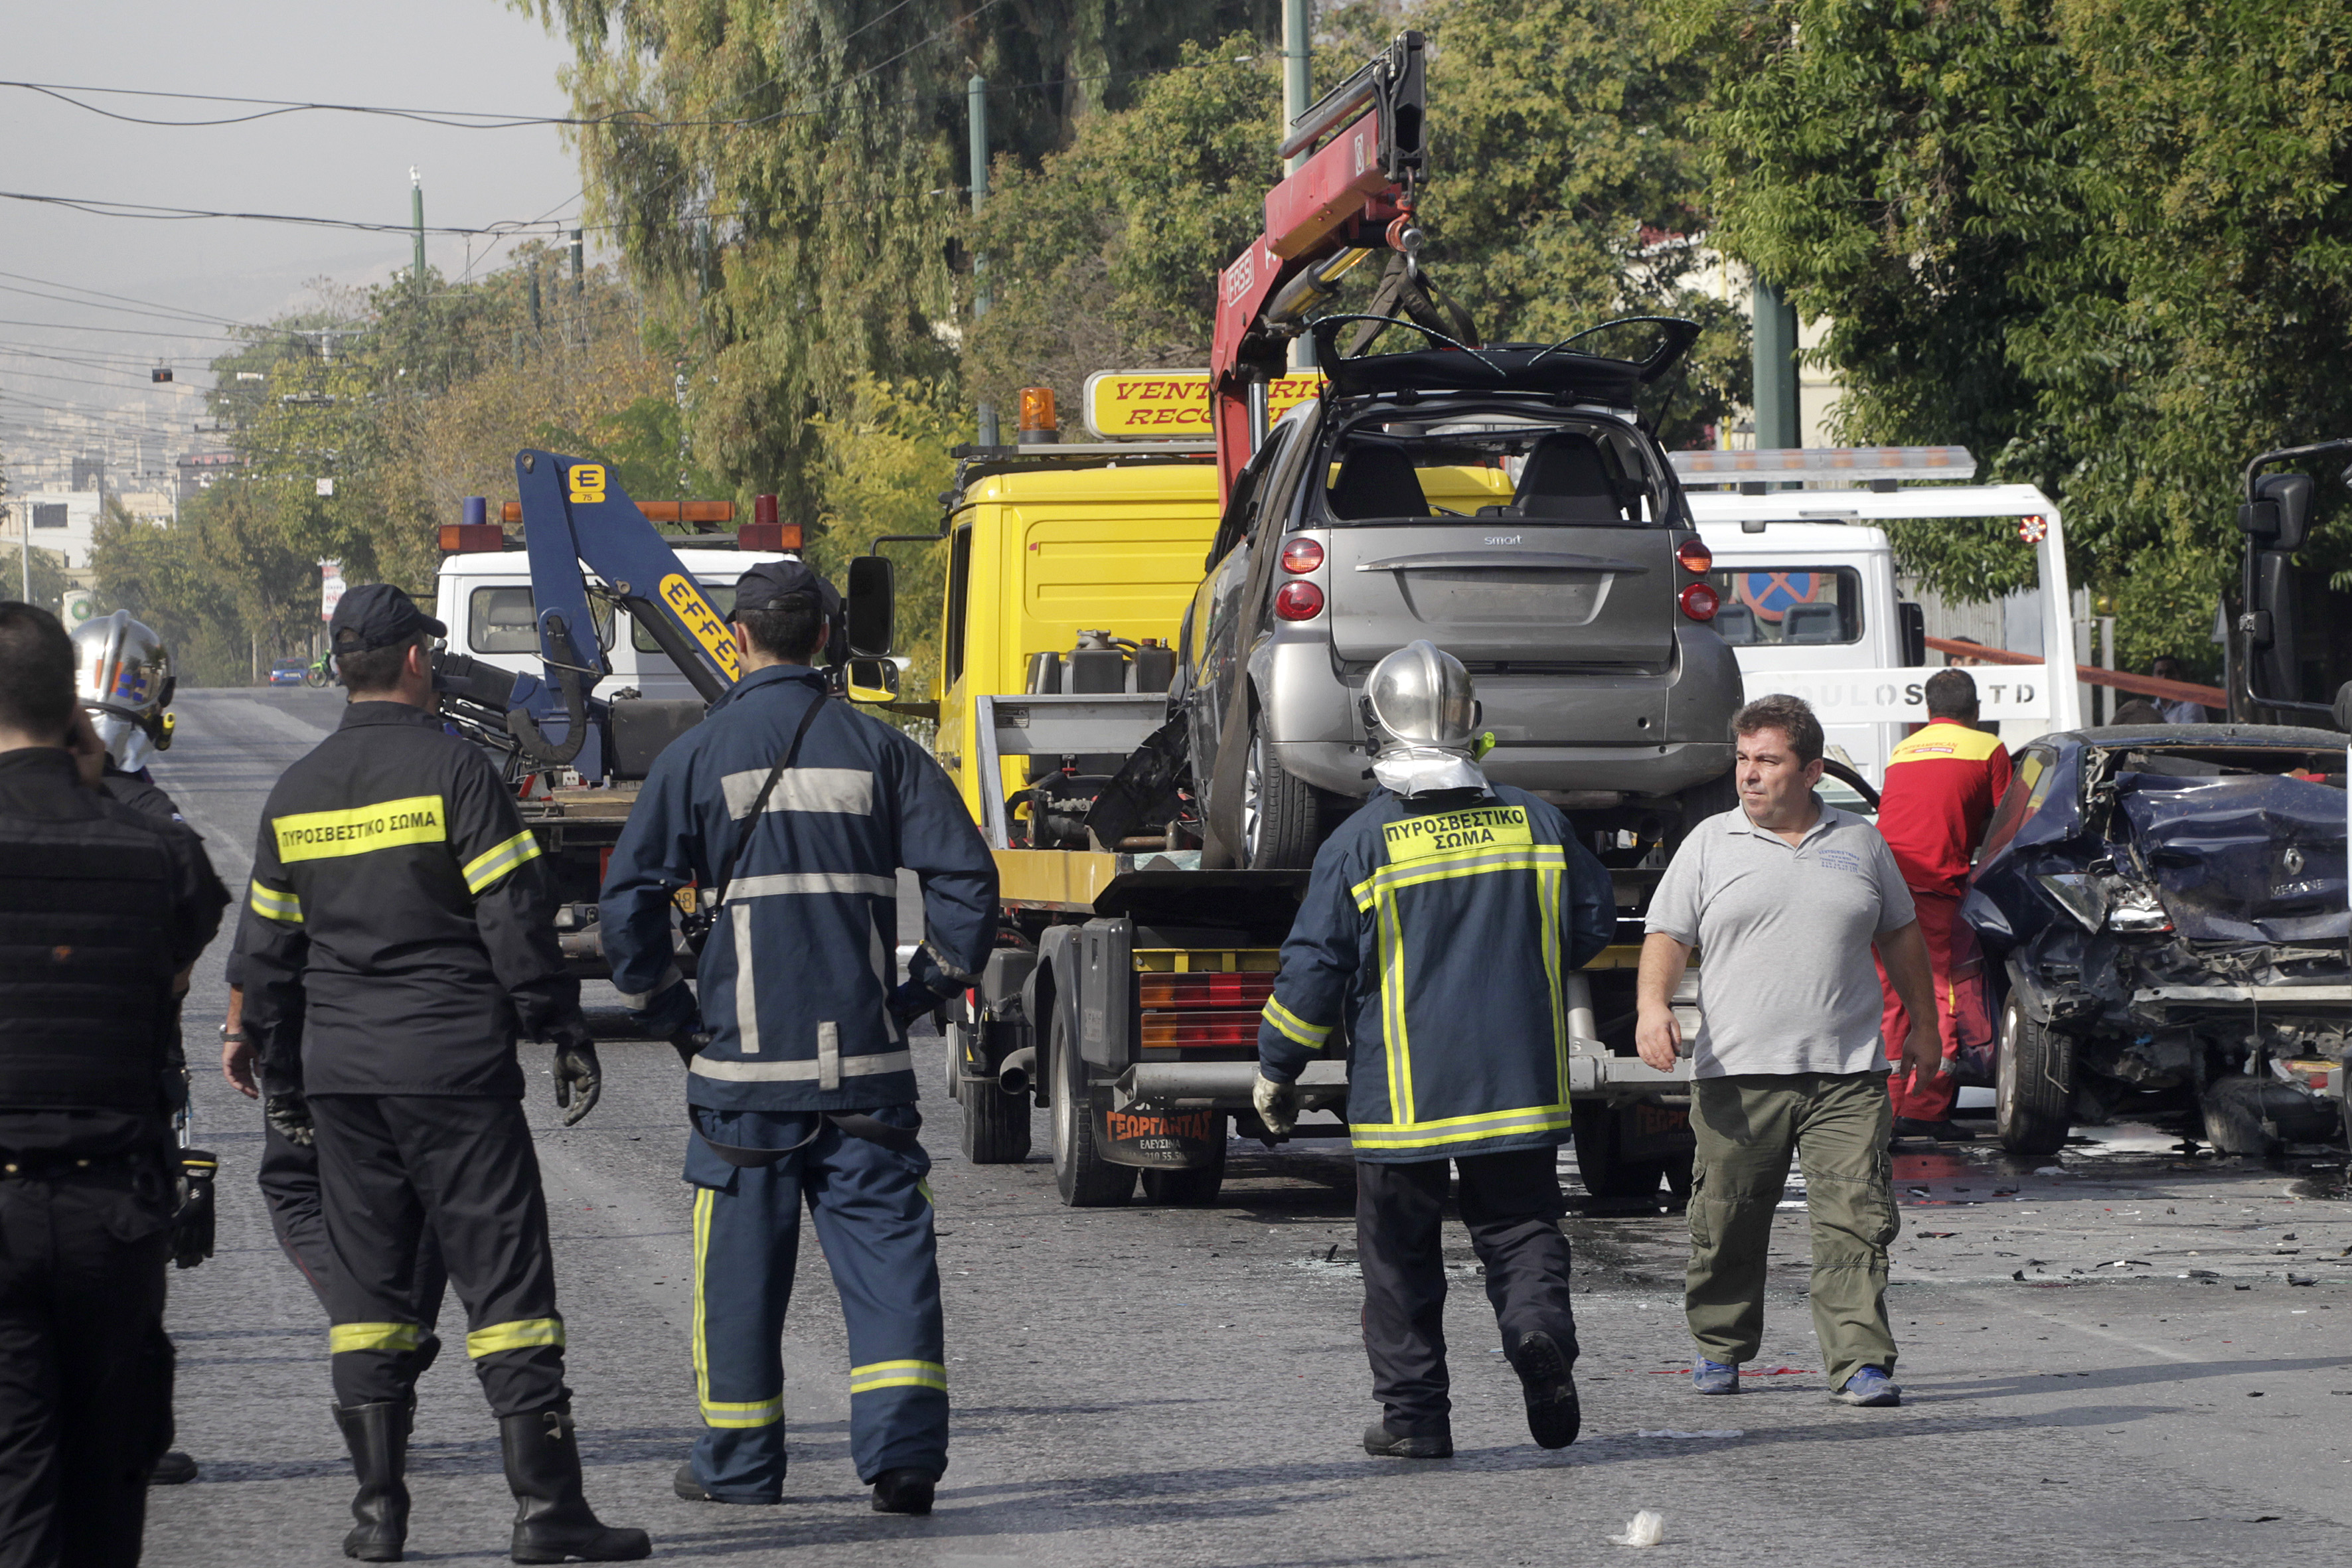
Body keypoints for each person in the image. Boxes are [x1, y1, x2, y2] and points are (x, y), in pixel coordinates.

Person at [234, 584, 646, 1564]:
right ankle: (546, 1512)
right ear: (417, 660)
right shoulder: (457, 771)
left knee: (370, 1293)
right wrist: (559, 1026)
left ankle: (377, 1514)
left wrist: (284, 1079)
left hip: (344, 1082)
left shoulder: (294, 790)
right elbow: (513, 917)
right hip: (454, 1070)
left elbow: (266, 958)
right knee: (506, 1288)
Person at [600, 560, 996, 1516]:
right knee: (890, 1259)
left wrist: (670, 1014)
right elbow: (968, 884)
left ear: (738, 637)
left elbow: (628, 907)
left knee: (736, 1276)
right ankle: (903, 1458)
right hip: (864, 1070)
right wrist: (921, 990)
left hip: (742, 1080)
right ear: (824, 637)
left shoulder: (696, 758)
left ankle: (738, 1467)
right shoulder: (878, 750)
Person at [1251, 640, 1615, 1459]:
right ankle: (1536, 1330)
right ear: (1471, 724)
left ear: (1377, 728)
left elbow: (1314, 969)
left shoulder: (1362, 842)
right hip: (1519, 1084)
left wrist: (1276, 1068)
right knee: (1522, 1231)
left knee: (1399, 1259)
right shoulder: (1539, 822)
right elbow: (1591, 924)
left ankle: (1416, 1421)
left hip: (1404, 1101)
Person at [0, 601, 228, 1567]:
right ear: (78, 711)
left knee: (17, 1489)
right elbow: (176, 960)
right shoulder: (155, 845)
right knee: (106, 1495)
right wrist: (90, 781)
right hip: (114, 1210)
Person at [1636, 693, 1939, 1408]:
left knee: (1855, 1221)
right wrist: (1653, 1006)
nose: (1750, 775)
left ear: (1812, 770)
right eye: (1743, 760)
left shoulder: (1861, 843)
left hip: (1848, 1075)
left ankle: (1860, 1361)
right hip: (1739, 1074)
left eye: (1767, 760)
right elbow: (1668, 936)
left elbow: (1900, 934)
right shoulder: (1710, 842)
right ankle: (1722, 1343)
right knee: (1727, 1219)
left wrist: (1924, 1025)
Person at [70, 609, 210, 1486]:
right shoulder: (162, 820)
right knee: (128, 1280)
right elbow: (177, 988)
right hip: (129, 1087)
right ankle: (132, 1440)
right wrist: (191, 1152)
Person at [1873, 669, 2012, 1142]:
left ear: (1928, 712)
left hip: (1879, 881)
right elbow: (2008, 827)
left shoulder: (1902, 750)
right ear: (1975, 711)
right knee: (1939, 993)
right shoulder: (1986, 748)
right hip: (1932, 887)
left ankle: (1886, 1114)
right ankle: (1928, 1109)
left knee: (1890, 997)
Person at [2148, 657, 2209, 724]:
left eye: (2170, 673)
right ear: (2153, 678)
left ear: (2179, 677)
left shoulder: (2192, 706)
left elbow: (2187, 733)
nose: (2164, 678)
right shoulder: (2149, 710)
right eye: (2160, 673)